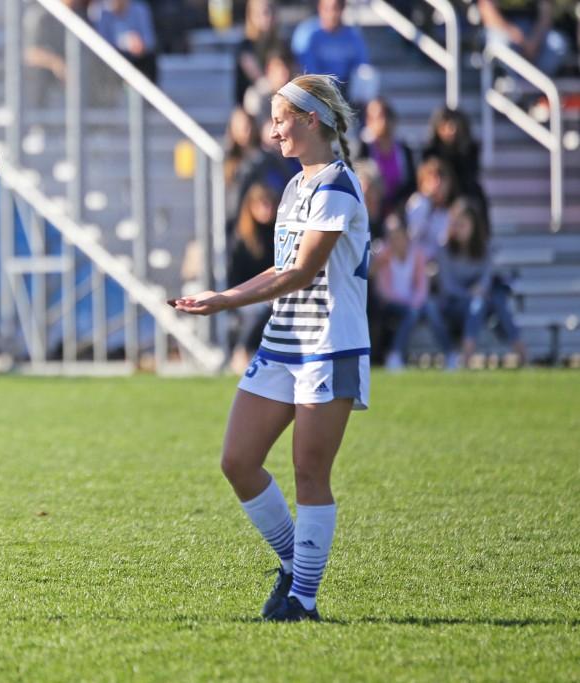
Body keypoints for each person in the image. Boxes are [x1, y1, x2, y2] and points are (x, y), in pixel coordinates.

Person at [172, 74, 370, 622]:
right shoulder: (295, 186)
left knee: (309, 472)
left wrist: (226, 299)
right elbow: (284, 269)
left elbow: (302, 272)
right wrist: (227, 296)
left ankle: (303, 600)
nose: (273, 129)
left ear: (311, 121)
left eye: (281, 118)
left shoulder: (335, 184)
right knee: (237, 460)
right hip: (284, 342)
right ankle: (293, 566)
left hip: (330, 346)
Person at [436, 198, 526, 365]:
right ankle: (469, 355)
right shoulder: (444, 249)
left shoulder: (484, 248)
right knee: (478, 303)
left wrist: (478, 293)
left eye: (463, 224)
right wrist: (469, 294)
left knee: (496, 300)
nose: (458, 229)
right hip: (454, 305)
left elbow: (485, 281)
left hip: (481, 303)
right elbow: (448, 287)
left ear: (474, 226)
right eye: (456, 224)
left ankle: (519, 353)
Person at [371, 213, 454, 370]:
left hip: (414, 302)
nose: (397, 240)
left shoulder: (418, 254)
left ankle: (450, 354)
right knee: (412, 313)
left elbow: (422, 286)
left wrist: (415, 302)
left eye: (399, 236)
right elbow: (384, 291)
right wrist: (410, 304)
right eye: (393, 237)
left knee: (432, 308)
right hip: (392, 303)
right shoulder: (384, 256)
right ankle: (395, 355)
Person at [226, 181, 278, 371]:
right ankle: (243, 350)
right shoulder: (242, 240)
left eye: (270, 204)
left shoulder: (277, 234)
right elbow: (234, 277)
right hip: (246, 295)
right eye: (262, 204)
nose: (267, 209)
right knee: (260, 311)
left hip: (273, 293)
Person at [293, 0, 370, 101]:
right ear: (319, 8)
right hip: (315, 89)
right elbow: (305, 68)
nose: (331, 14)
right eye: (326, 9)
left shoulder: (352, 35)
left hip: (345, 89)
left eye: (335, 8)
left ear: (342, 9)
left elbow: (362, 67)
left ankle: (359, 114)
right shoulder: (307, 32)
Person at [357, 98, 416, 218]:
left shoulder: (405, 150)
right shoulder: (362, 148)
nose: (383, 121)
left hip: (399, 209)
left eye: (386, 116)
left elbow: (411, 184)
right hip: (370, 208)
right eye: (376, 117)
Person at [478, 0, 568, 77]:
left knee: (557, 43)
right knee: (502, 43)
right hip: (502, 28)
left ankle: (536, 88)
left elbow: (546, 14)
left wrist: (534, 40)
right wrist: (517, 37)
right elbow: (487, 10)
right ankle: (513, 87)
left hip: (533, 30)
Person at [91, 0, 159, 82]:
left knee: (149, 59)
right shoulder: (101, 11)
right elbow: (101, 43)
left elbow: (150, 41)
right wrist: (124, 43)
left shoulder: (140, 9)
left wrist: (140, 44)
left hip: (137, 57)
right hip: (114, 58)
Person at [405, 157, 455, 263]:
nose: (437, 185)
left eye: (441, 180)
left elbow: (443, 245)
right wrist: (427, 205)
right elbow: (413, 235)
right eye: (431, 180)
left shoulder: (449, 213)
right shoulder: (417, 203)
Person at [233, 0, 282, 105]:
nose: (267, 17)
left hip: (278, 96)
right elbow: (259, 80)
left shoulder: (281, 45)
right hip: (251, 106)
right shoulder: (245, 47)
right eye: (262, 13)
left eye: (271, 12)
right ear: (251, 16)